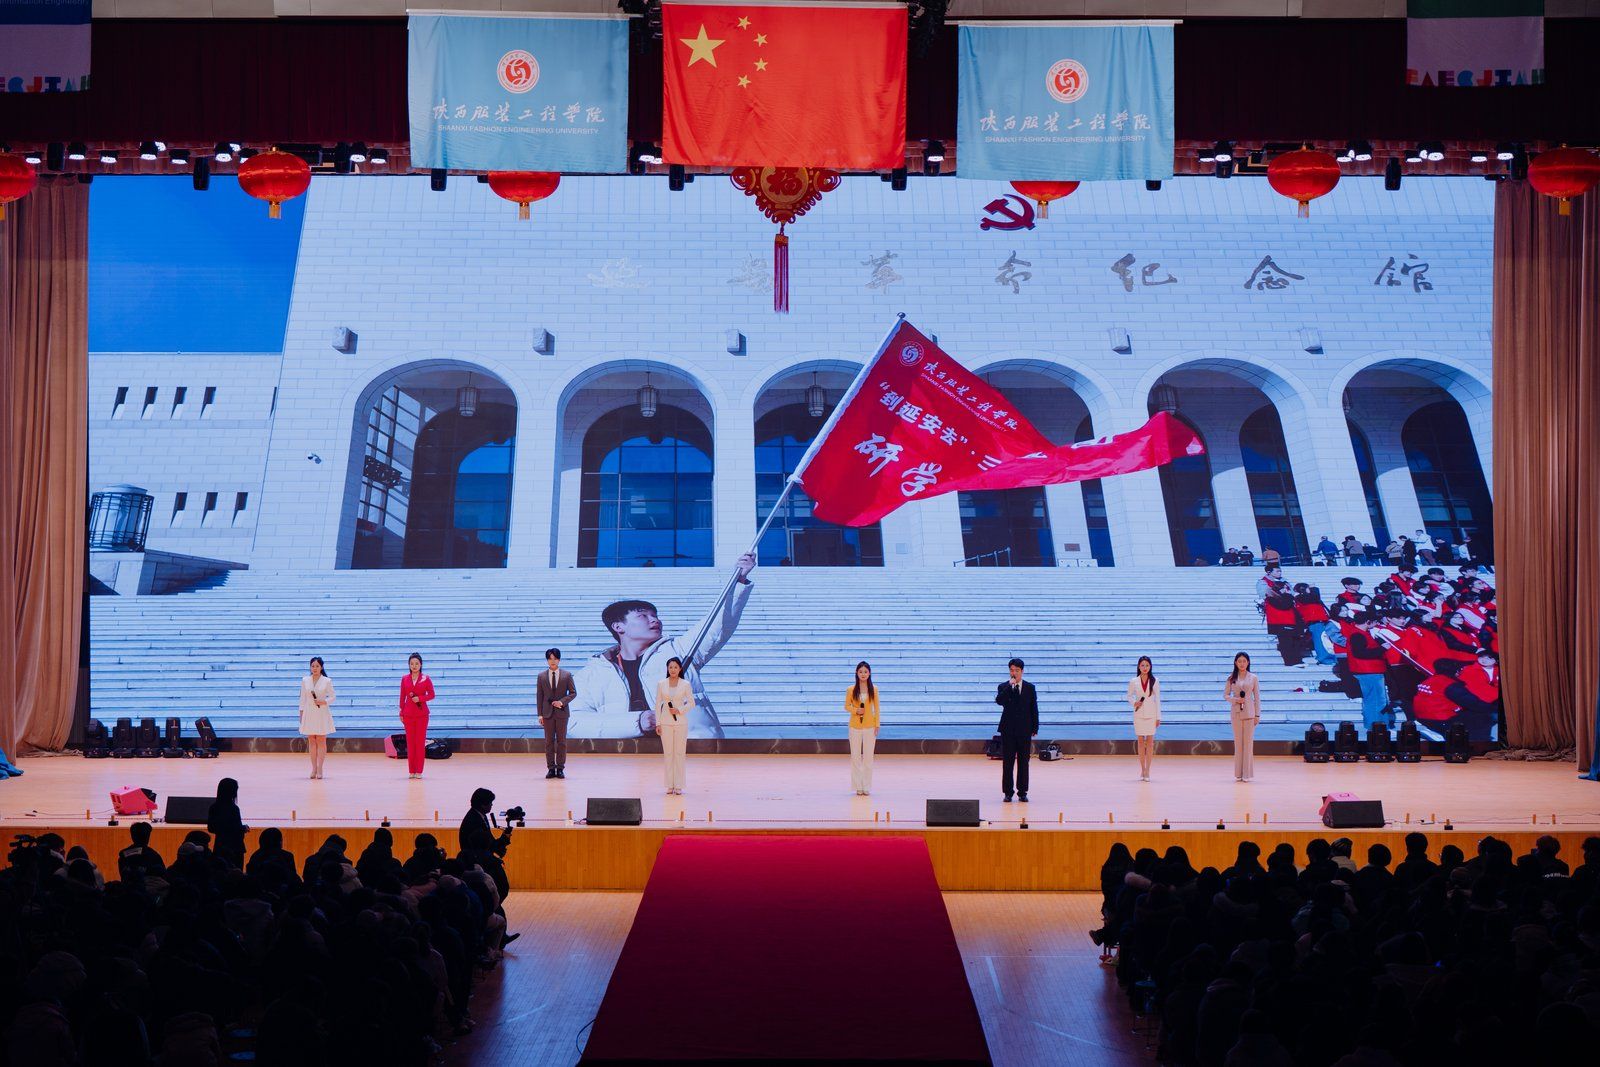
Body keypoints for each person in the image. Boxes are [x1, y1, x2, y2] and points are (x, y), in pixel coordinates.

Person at [569, 552, 757, 739]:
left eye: (655, 615)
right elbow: (573, 721)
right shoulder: (591, 674)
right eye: (643, 616)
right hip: (625, 755)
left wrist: (738, 581)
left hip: (690, 750)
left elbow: (717, 626)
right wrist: (638, 721)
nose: (654, 620)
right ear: (618, 627)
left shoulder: (679, 650)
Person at [994, 657, 1039, 802]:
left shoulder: (1030, 688)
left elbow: (1034, 708)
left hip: (1024, 730)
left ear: (1022, 671)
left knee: (1023, 762)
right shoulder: (1003, 686)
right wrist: (1009, 686)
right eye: (1011, 670)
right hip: (1008, 730)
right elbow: (999, 701)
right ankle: (1008, 792)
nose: (1014, 673)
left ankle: (1022, 792)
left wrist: (1035, 727)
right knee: (1008, 762)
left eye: (1017, 670)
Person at [458, 787, 513, 902]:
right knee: (498, 889)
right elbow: (486, 844)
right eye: (490, 803)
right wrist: (503, 840)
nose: (492, 805)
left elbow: (488, 842)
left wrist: (504, 839)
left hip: (481, 860)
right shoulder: (474, 820)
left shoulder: (479, 816)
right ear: (483, 805)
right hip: (479, 863)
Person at [536, 647, 577, 780]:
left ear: (559, 659)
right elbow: (539, 696)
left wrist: (561, 702)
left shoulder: (567, 675)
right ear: (547, 660)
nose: (552, 661)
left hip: (562, 713)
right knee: (548, 742)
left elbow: (573, 693)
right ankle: (550, 768)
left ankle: (560, 769)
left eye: (555, 658)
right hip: (547, 714)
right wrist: (540, 714)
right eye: (550, 658)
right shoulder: (541, 676)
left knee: (561, 742)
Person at [654, 657, 693, 795]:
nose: (673, 670)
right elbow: (658, 704)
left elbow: (691, 703)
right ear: (667, 669)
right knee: (668, 754)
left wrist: (679, 710)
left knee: (679, 753)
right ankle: (669, 785)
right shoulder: (661, 684)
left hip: (680, 722)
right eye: (670, 667)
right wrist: (658, 723)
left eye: (675, 667)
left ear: (680, 669)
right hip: (665, 723)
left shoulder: (685, 684)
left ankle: (679, 785)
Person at [298, 656, 336, 780]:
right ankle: (313, 768)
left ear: (321, 667)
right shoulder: (305, 680)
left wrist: (324, 701)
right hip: (309, 712)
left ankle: (320, 768)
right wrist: (301, 714)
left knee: (321, 739)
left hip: (321, 712)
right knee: (311, 740)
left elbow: (333, 696)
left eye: (317, 666)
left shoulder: (327, 681)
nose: (314, 668)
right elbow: (302, 699)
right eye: (312, 666)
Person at [846, 661, 880, 796]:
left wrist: (877, 724)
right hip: (854, 726)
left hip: (870, 726)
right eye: (860, 672)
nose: (863, 674)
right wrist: (856, 710)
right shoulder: (851, 689)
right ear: (856, 673)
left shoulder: (874, 689)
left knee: (868, 757)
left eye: (865, 672)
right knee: (855, 757)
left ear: (869, 673)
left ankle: (866, 786)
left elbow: (877, 708)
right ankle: (857, 786)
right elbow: (846, 706)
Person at [1224, 652, 1259, 782]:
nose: (1242, 663)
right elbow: (1225, 695)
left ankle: (1247, 774)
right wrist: (1235, 700)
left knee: (1248, 744)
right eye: (1239, 661)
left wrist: (1257, 714)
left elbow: (1257, 698)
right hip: (1236, 713)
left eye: (1244, 661)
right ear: (1235, 663)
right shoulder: (1231, 678)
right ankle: (1238, 773)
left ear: (1248, 662)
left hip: (1249, 714)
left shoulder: (1253, 678)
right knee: (1238, 744)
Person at [399, 653, 434, 779]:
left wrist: (420, 698)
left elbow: (432, 695)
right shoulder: (404, 679)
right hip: (408, 715)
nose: (414, 666)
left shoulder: (426, 678)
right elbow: (402, 697)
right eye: (412, 664)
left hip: (422, 715)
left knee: (419, 743)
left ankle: (419, 771)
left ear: (421, 665)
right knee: (410, 743)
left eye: (416, 664)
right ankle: (411, 770)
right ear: (409, 665)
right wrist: (401, 712)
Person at [1126, 656, 1160, 782]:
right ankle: (1142, 769)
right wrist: (1134, 703)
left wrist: (1158, 717)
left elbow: (1158, 700)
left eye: (1147, 665)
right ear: (1138, 667)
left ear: (1150, 666)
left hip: (1151, 715)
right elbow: (1129, 696)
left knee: (1150, 743)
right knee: (1140, 742)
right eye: (1142, 665)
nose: (1145, 668)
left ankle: (1148, 770)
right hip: (1139, 714)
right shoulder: (1133, 681)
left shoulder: (1155, 680)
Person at [206, 778, 248, 869]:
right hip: (235, 848)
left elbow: (211, 828)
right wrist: (244, 828)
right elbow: (235, 829)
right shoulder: (234, 808)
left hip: (219, 846)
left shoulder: (214, 807)